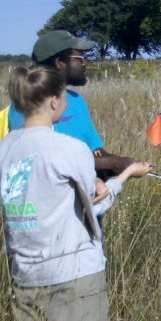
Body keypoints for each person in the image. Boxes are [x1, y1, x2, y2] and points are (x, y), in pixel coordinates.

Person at [0, 66, 151, 320]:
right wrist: (126, 174)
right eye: (64, 96)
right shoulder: (71, 148)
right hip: (75, 278)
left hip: (24, 277)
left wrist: (92, 178)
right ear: (54, 101)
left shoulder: (5, 148)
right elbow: (96, 207)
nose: (68, 102)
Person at [8, 31, 136, 177]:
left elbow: (95, 151)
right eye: (80, 58)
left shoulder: (76, 100)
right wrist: (108, 164)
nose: (85, 63)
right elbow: (41, 159)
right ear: (59, 63)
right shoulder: (26, 104)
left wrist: (122, 163)